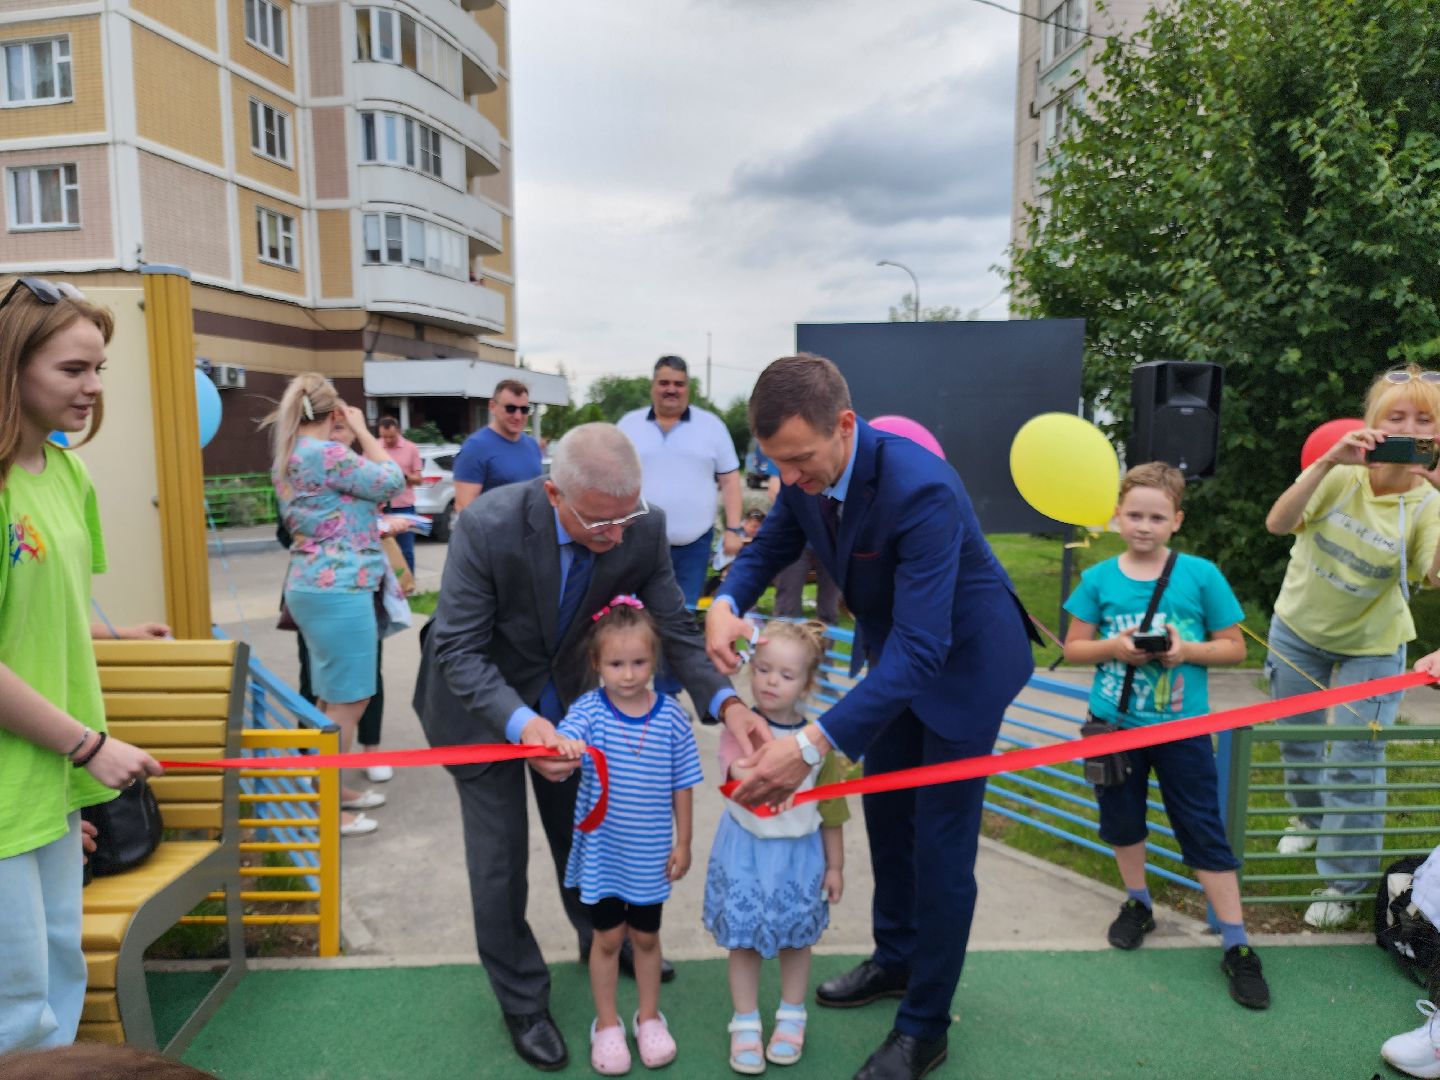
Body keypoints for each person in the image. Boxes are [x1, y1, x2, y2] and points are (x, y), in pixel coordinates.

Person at [706, 354, 1039, 1080]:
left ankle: (925, 1028)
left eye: (800, 460)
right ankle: (896, 960)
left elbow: (926, 650)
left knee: (941, 851)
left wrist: (811, 741)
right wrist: (728, 602)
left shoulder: (922, 487)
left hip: (962, 670)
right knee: (889, 823)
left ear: (846, 425)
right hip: (901, 661)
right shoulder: (802, 473)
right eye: (776, 466)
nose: (790, 480)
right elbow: (771, 546)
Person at [413, 422, 770, 1072]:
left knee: (586, 837)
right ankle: (523, 1001)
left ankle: (601, 940)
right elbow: (457, 648)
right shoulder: (487, 525)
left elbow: (675, 628)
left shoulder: (642, 524)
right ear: (554, 493)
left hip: (576, 712)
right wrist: (522, 727)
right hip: (481, 711)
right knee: (499, 865)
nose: (617, 534)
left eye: (627, 515)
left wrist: (730, 703)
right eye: (600, 522)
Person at [0, 277, 166, 1054]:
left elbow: (38, 623)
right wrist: (91, 746)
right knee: (15, 998)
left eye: (99, 369)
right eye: (73, 370)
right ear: (11, 364)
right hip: (22, 782)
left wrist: (116, 637)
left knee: (59, 974)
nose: (93, 388)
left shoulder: (67, 474)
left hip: (52, 785)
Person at [1062, 462, 1269, 1009]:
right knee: (1123, 822)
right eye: (1134, 515)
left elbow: (1236, 648)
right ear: (1116, 517)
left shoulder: (1201, 576)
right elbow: (1074, 648)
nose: (1144, 526)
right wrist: (1115, 647)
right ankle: (1138, 904)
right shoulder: (1098, 579)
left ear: (1176, 520)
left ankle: (1237, 942)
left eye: (1157, 516)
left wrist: (1184, 651)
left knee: (1202, 828)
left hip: (1183, 729)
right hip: (1112, 724)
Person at [1263, 366, 1440, 928]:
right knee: (1299, 742)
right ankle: (1307, 821)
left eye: (1424, 419)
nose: (1409, 427)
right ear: (1373, 424)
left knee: (1355, 762)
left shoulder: (1427, 502)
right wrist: (1325, 461)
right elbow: (1278, 522)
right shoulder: (1340, 476)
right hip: (1299, 627)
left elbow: (1436, 575)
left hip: (1375, 642)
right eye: (1396, 417)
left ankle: (1345, 882)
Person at [549, 598, 702, 1074]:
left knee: (647, 938)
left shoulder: (672, 717)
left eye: (639, 662)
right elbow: (562, 737)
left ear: (653, 660)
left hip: (650, 857)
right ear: (597, 663)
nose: (629, 674)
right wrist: (565, 743)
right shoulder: (588, 712)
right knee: (608, 938)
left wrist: (684, 842)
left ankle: (649, 1017)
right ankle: (608, 1024)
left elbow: (683, 784)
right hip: (603, 855)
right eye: (616, 663)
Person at [703, 620, 848, 1075]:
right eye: (763, 669)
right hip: (745, 851)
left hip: (799, 856)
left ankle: (791, 1016)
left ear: (806, 683)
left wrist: (836, 867)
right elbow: (733, 776)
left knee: (796, 941)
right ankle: (745, 1021)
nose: (770, 681)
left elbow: (832, 812)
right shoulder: (742, 726)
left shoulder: (822, 743)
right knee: (742, 942)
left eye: (785, 675)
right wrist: (765, 782)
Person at [263, 373, 403, 838]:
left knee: (328, 695)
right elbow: (391, 479)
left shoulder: (288, 457)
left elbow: (336, 511)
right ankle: (330, 810)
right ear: (334, 414)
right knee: (351, 699)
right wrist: (363, 431)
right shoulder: (325, 454)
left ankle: (330, 787)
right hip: (339, 589)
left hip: (310, 585)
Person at [618, 356, 745, 695]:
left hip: (693, 544)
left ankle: (667, 696)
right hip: (635, 541)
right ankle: (630, 693)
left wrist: (734, 530)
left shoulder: (712, 426)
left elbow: (731, 481)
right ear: (653, 386)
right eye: (664, 383)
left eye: (678, 384)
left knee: (680, 621)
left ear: (688, 388)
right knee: (633, 619)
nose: (671, 390)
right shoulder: (628, 425)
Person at [452, 378, 544, 513]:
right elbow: (464, 508)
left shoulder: (532, 445)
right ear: (492, 406)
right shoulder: (475, 448)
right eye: (510, 408)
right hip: (495, 533)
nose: (518, 416)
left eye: (524, 409)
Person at [376, 416, 422, 574]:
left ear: (399, 432)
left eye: (392, 437)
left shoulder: (411, 448)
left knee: (406, 550)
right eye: (384, 437)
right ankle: (386, 590)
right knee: (383, 550)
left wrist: (403, 477)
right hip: (380, 509)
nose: (388, 440)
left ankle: (410, 587)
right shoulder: (373, 447)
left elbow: (419, 479)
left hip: (404, 507)